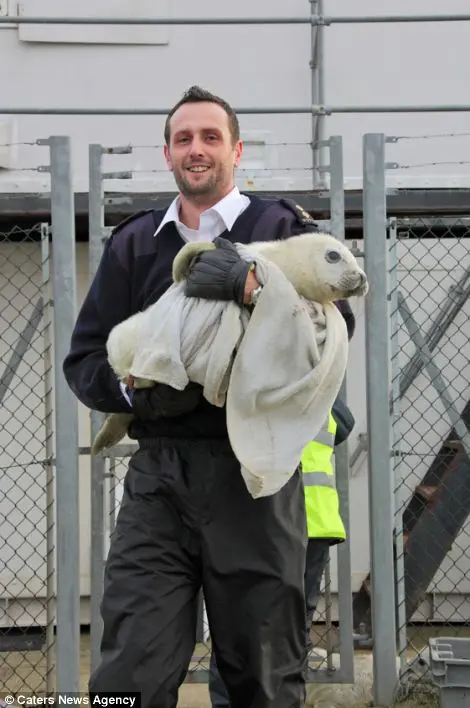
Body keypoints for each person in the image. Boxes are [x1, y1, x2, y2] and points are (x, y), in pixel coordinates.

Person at [63, 85, 356, 708]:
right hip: (158, 479)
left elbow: (335, 332)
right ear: (167, 154)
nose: (197, 149)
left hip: (255, 478)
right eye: (184, 139)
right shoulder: (135, 242)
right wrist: (130, 393)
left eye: (211, 137)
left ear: (237, 149)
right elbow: (85, 358)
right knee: (127, 678)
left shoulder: (279, 227)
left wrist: (258, 288)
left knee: (263, 678)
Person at [208, 394, 355, 708]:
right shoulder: (320, 391)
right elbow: (344, 425)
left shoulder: (260, 385)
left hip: (264, 523)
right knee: (288, 634)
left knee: (239, 627)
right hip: (308, 523)